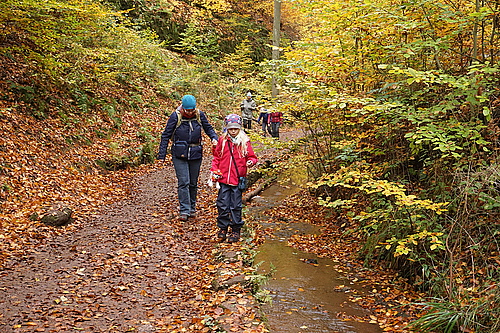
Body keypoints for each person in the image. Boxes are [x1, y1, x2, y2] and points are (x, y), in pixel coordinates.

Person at [157, 94, 218, 221]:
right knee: (184, 181)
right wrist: (161, 155)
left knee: (193, 183)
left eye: (192, 110)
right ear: (183, 108)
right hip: (179, 153)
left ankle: (192, 208)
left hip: (196, 153)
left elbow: (209, 129)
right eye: (187, 110)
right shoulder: (176, 116)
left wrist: (214, 138)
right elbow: (166, 135)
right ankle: (184, 209)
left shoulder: (199, 115)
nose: (190, 112)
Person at [211, 114, 258, 242]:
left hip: (237, 179)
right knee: (222, 204)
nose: (233, 131)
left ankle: (236, 230)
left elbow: (252, 157)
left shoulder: (244, 142)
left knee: (236, 205)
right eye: (230, 128)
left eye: (235, 129)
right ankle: (223, 228)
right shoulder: (223, 141)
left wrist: (251, 162)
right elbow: (217, 157)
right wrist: (214, 170)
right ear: (227, 128)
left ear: (239, 129)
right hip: (224, 179)